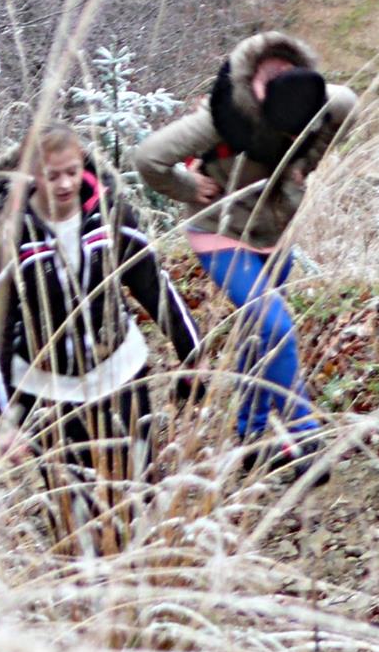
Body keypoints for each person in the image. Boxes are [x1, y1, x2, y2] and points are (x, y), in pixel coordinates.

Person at [134, 30, 357, 480]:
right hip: (219, 231)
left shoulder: (319, 98)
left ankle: (252, 437)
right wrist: (190, 187)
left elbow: (347, 105)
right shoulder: (221, 118)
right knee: (275, 327)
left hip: (274, 234)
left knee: (258, 340)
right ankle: (304, 435)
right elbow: (148, 158)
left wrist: (304, 163)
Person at [0, 122, 203, 549]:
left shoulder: (111, 212)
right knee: (73, 507)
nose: (65, 184)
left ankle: (140, 582)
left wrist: (194, 353)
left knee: (138, 488)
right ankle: (85, 594)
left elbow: (154, 284)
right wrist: (1, 417)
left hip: (120, 372)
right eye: (52, 175)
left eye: (71, 171)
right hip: (51, 390)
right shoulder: (8, 232)